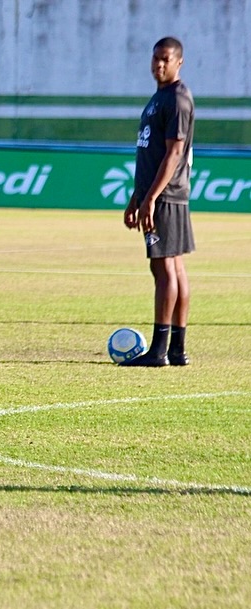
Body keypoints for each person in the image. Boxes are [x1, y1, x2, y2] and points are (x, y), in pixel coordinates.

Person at [122, 37, 195, 367]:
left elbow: (174, 151)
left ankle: (159, 350)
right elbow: (149, 152)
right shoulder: (159, 97)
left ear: (179, 62)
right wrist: (136, 196)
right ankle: (176, 349)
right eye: (155, 59)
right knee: (174, 267)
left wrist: (151, 197)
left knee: (163, 267)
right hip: (158, 193)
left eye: (165, 59)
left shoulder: (177, 98)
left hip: (166, 195)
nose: (159, 65)